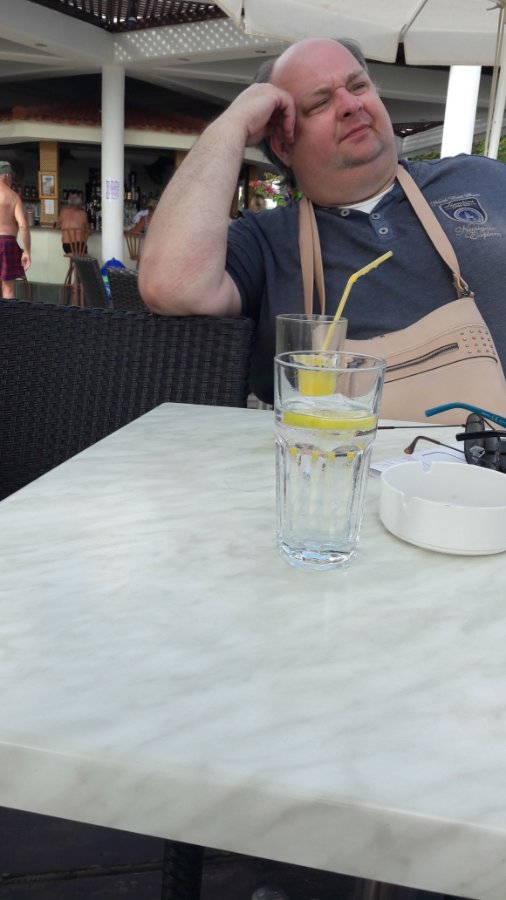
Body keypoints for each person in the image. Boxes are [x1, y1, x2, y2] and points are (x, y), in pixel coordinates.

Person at [139, 37, 506, 405]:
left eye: (358, 86)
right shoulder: (266, 240)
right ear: (283, 146)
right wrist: (232, 124)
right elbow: (172, 285)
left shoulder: (479, 179)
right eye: (319, 103)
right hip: (333, 442)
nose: (350, 105)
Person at [0, 161, 31, 299]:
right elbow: (23, 226)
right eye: (11, 176)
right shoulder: (13, 197)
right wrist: (27, 251)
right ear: (6, 176)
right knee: (8, 290)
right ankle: (8, 314)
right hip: (7, 244)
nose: (12, 179)